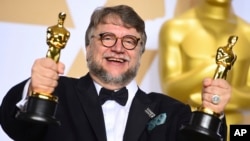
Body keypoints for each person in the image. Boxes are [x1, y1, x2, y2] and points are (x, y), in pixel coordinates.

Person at [0, 5, 231, 141]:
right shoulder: (57, 93)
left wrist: (215, 112)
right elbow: (13, 125)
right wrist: (34, 89)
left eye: (130, 41)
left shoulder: (171, 112)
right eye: (107, 37)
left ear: (140, 52)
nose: (119, 48)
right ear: (89, 46)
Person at [159, 0, 250, 128]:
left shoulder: (247, 32)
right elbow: (170, 88)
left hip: (236, 128)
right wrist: (212, 67)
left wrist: (218, 97)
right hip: (189, 127)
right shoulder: (175, 28)